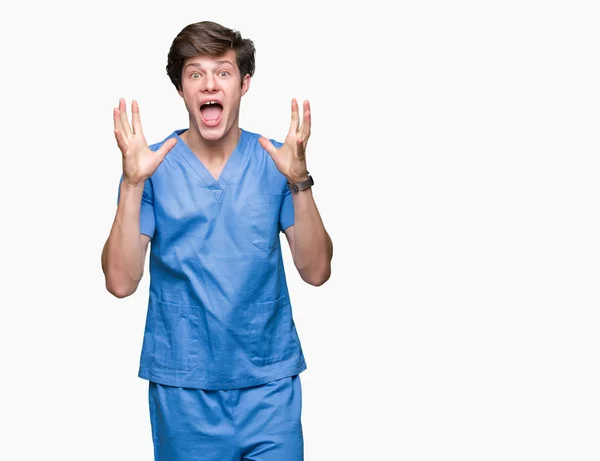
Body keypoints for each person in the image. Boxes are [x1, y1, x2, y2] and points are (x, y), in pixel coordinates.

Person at [101, 20, 333, 461]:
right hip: (184, 391)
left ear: (244, 84)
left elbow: (317, 271)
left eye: (223, 72)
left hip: (269, 389)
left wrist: (300, 181)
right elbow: (119, 282)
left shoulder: (276, 163)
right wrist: (131, 185)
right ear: (181, 88)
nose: (210, 83)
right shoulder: (152, 168)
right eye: (195, 73)